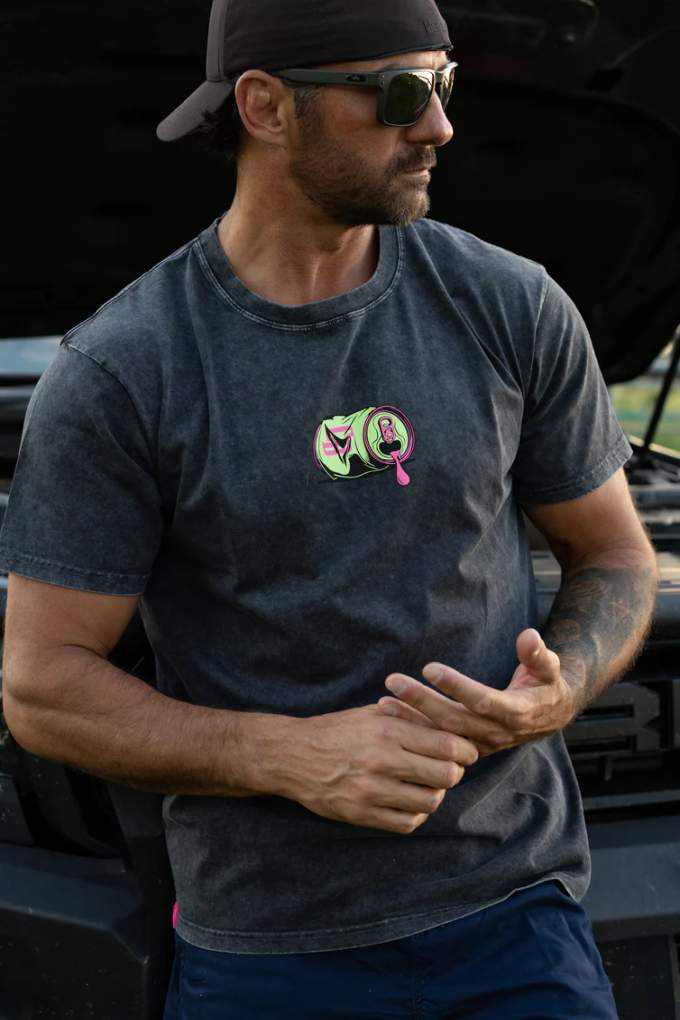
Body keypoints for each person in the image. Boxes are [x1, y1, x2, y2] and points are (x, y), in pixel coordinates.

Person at [1, 0, 657, 1016]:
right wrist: (289, 756)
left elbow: (614, 555)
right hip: (267, 952)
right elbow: (42, 686)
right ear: (265, 106)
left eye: (444, 86)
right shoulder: (124, 371)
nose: (438, 126)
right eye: (399, 93)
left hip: (517, 923)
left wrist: (562, 687)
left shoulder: (510, 304)